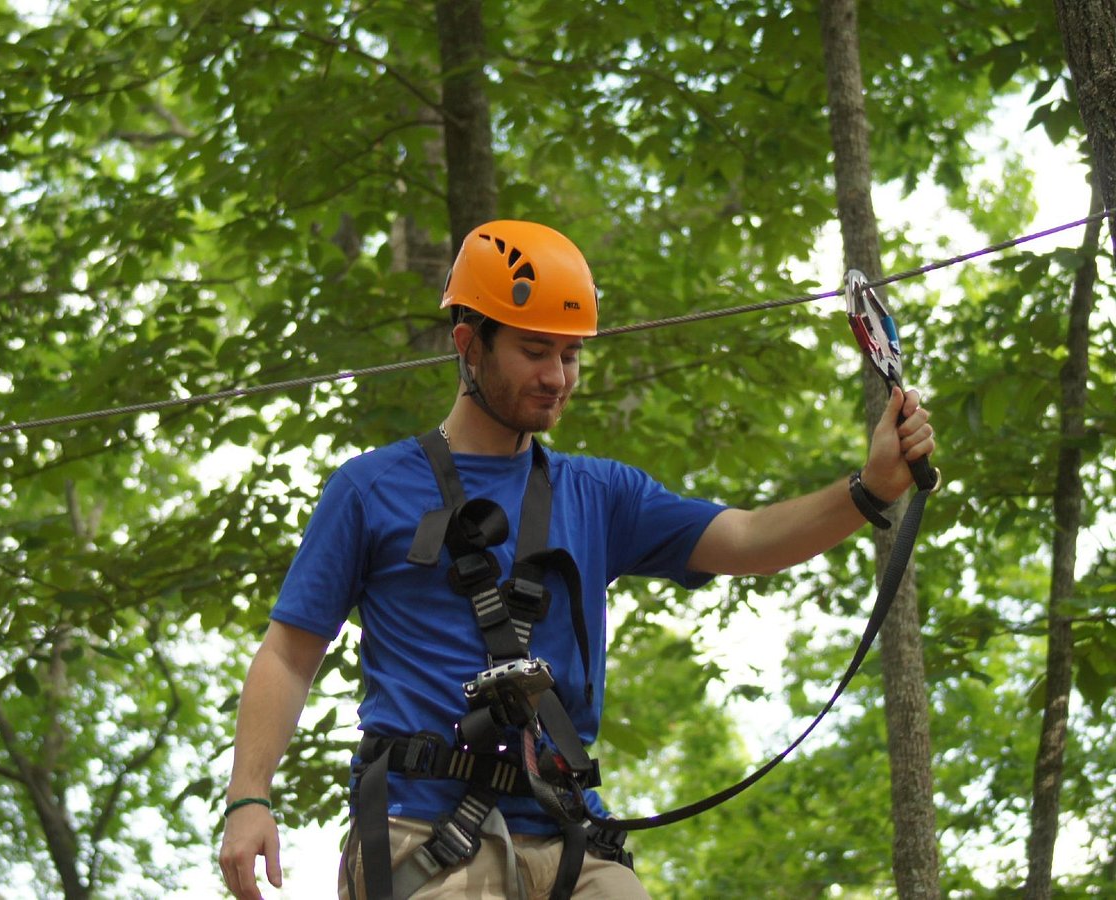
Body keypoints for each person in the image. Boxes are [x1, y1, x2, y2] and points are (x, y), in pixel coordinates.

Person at [218, 219, 935, 899]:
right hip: (422, 834)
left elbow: (746, 540)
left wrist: (868, 490)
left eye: (571, 354)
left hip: (568, 838)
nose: (559, 376)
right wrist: (249, 798)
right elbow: (288, 654)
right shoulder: (369, 490)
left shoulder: (600, 493)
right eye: (535, 350)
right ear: (469, 345)